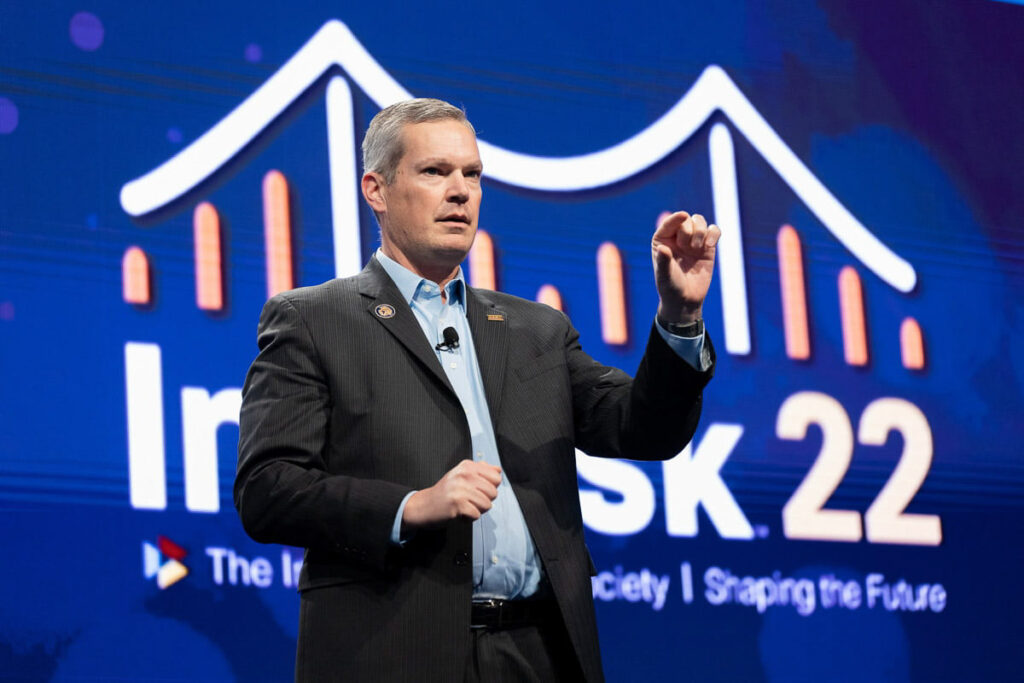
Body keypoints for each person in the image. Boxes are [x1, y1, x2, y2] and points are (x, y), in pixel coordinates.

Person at [234, 98, 719, 682]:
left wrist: (679, 316)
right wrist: (411, 507)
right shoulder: (313, 320)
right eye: (435, 172)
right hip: (392, 653)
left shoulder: (535, 329)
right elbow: (268, 489)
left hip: (539, 654)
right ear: (376, 190)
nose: (460, 191)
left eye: (472, 174)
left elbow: (645, 429)